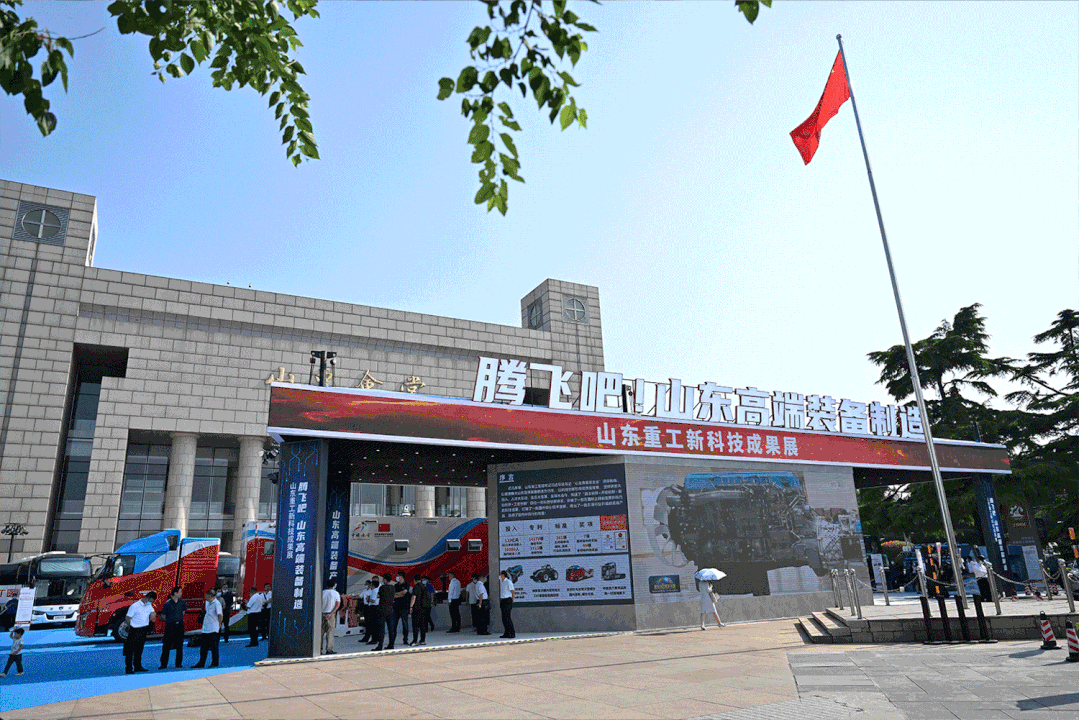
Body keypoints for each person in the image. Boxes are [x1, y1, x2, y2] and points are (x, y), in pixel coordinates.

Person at [122, 590, 157, 674]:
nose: (150, 603)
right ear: (146, 598)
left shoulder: (149, 606)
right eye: (150, 601)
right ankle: (129, 668)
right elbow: (128, 617)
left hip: (143, 629)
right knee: (130, 650)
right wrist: (131, 626)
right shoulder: (135, 606)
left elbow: (152, 613)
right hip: (134, 629)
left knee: (139, 649)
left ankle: (137, 666)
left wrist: (153, 615)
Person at [192, 589, 223, 668]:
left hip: (213, 628)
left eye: (206, 595)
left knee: (214, 647)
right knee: (203, 647)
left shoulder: (217, 603)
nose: (205, 596)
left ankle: (215, 662)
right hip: (206, 628)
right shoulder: (207, 602)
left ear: (209, 596)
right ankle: (201, 662)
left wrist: (219, 624)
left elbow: (220, 615)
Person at [159, 587, 187, 669]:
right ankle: (163, 664)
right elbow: (163, 615)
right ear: (175, 593)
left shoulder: (182, 602)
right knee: (166, 645)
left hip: (180, 625)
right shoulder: (168, 603)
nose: (181, 593)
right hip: (170, 626)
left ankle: (178, 663)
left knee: (180, 645)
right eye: (180, 592)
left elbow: (183, 612)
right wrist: (170, 620)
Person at [372, 573, 395, 651]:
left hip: (382, 609)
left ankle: (380, 645)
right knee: (391, 628)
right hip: (390, 609)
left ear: (385, 580)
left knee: (381, 628)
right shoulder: (393, 587)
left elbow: (378, 596)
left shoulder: (382, 587)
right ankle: (391, 644)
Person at [321, 578, 341, 655]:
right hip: (331, 614)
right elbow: (337, 604)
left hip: (322, 613)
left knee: (320, 632)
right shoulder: (336, 593)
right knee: (330, 632)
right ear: (333, 585)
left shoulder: (322, 592)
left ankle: (318, 649)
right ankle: (329, 649)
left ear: (326, 585)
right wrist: (331, 614)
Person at [390, 573, 410, 649]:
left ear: (402, 577)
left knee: (405, 624)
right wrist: (399, 594)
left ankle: (405, 639)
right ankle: (392, 640)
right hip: (396, 607)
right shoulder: (395, 585)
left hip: (404, 607)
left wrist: (398, 594)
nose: (397, 577)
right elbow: (393, 595)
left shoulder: (406, 584)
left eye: (398, 576)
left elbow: (404, 592)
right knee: (394, 624)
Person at [411, 575, 431, 646]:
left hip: (417, 608)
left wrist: (411, 607)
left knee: (415, 625)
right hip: (424, 608)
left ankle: (415, 640)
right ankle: (422, 640)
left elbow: (413, 597)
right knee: (423, 625)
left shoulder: (416, 587)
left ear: (414, 580)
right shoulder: (424, 587)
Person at [498, 570, 516, 639]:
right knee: (504, 618)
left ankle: (512, 633)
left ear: (503, 575)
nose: (499, 576)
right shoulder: (501, 581)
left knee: (507, 617)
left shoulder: (508, 581)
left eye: (500, 575)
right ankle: (506, 633)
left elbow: (513, 591)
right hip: (502, 600)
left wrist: (512, 600)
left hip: (508, 600)